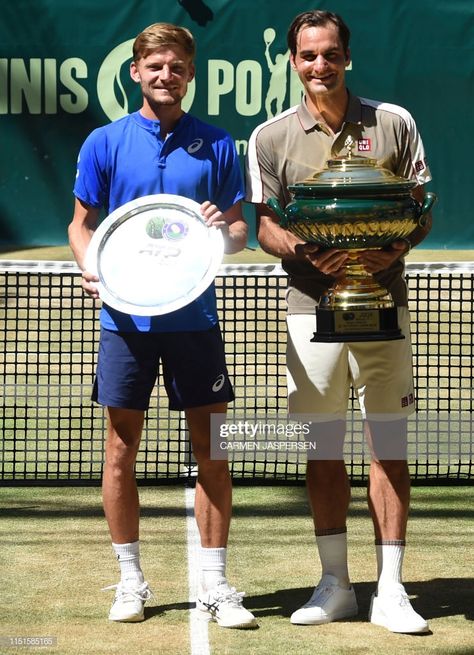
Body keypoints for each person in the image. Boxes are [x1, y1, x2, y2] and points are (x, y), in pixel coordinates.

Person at [245, 10, 433, 634]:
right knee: (323, 451)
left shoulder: (394, 122)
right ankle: (336, 585)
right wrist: (305, 252)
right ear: (293, 62)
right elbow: (265, 223)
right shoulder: (269, 138)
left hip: (386, 310)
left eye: (329, 54)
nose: (319, 65)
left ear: (346, 56)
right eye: (307, 55)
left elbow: (420, 207)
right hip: (310, 313)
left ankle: (392, 589)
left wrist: (393, 248)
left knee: (390, 448)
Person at [68, 22, 256, 629]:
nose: (165, 76)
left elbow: (237, 231)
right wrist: (91, 267)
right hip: (124, 322)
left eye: (176, 67)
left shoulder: (219, 144)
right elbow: (81, 225)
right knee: (120, 449)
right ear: (136, 72)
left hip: (195, 320)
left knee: (213, 451)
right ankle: (130, 581)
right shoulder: (105, 141)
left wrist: (215, 232)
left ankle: (217, 585)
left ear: (190, 73)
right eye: (155, 67)